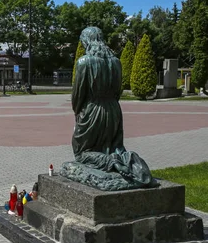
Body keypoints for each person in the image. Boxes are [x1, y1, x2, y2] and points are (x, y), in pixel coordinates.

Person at [59, 26, 156, 190]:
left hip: (92, 109)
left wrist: (79, 113)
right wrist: (110, 104)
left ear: (87, 41)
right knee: (112, 147)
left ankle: (113, 162)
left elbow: (78, 95)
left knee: (81, 152)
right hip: (113, 109)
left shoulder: (84, 62)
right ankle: (121, 159)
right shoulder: (116, 62)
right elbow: (118, 90)